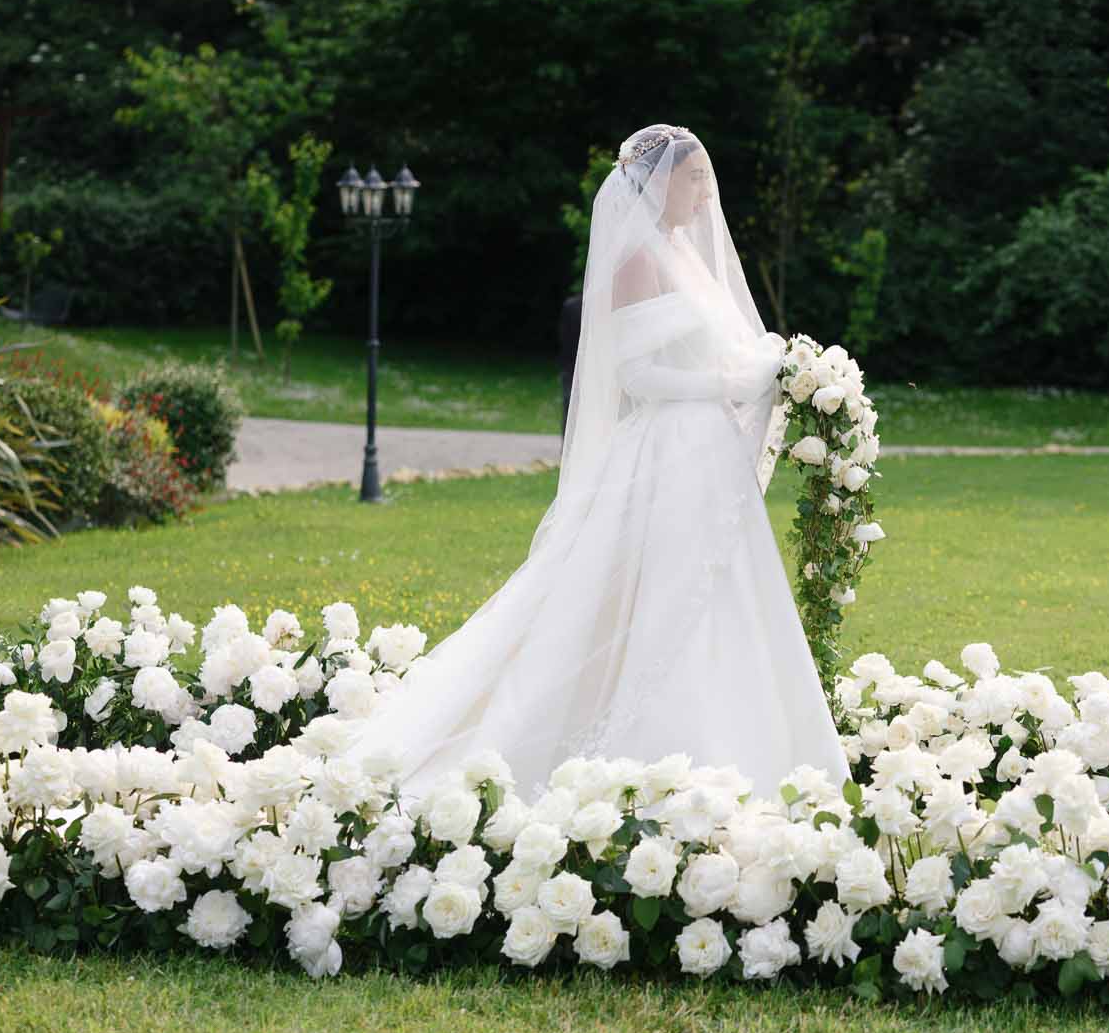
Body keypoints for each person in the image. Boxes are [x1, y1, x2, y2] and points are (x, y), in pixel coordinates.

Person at [345, 123, 848, 801]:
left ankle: (749, 749)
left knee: (723, 590)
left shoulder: (684, 253)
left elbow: (716, 350)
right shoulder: (637, 258)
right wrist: (725, 387)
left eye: (704, 178)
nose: (705, 193)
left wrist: (772, 369)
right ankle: (651, 754)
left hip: (706, 454)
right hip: (667, 450)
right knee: (660, 594)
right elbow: (635, 373)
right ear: (660, 181)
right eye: (693, 178)